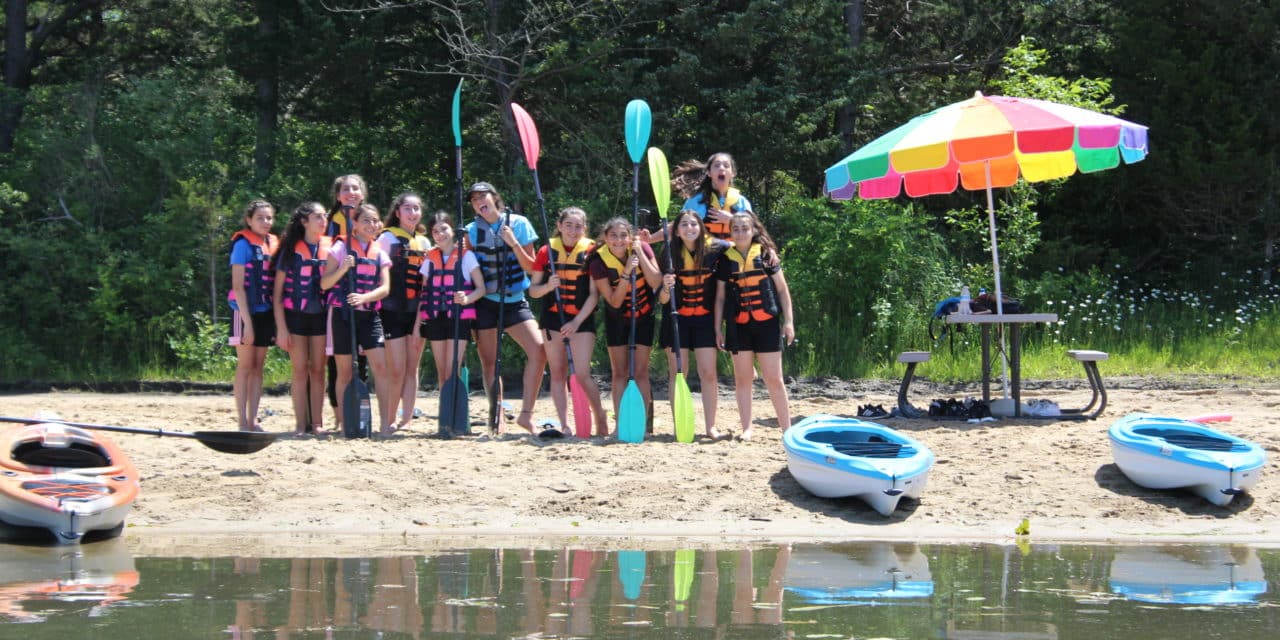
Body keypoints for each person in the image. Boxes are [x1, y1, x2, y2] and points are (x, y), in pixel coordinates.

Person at [464, 182, 545, 432]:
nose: (480, 201)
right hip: (485, 303)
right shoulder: (469, 232)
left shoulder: (518, 224)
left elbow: (532, 267)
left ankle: (526, 414)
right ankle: (495, 415)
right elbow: (467, 270)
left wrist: (513, 244)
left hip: (514, 301)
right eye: (475, 199)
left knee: (539, 351)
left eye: (483, 196)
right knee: (490, 362)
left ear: (494, 197)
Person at [714, 212, 795, 440]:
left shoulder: (766, 255)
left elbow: (782, 290)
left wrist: (788, 321)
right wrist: (717, 328)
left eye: (744, 228)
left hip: (767, 324)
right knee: (742, 379)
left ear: (753, 231)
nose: (740, 233)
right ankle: (747, 428)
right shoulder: (725, 259)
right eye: (736, 229)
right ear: (731, 232)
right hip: (738, 326)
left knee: (774, 378)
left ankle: (786, 429)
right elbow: (720, 297)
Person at [528, 207, 609, 435]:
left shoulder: (592, 251)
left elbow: (594, 295)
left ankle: (600, 416)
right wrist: (547, 286)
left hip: (581, 319)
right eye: (569, 225)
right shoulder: (546, 252)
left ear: (584, 229)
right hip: (552, 319)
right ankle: (564, 423)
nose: (573, 230)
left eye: (578, 226)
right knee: (558, 372)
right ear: (560, 226)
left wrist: (575, 322)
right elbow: (533, 291)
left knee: (582, 373)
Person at [319, 203, 395, 435]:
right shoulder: (341, 247)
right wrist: (344, 268)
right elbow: (324, 283)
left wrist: (363, 297)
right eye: (366, 221)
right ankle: (344, 422)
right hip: (343, 315)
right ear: (355, 224)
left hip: (369, 316)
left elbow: (385, 288)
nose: (372, 225)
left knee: (381, 368)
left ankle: (384, 423)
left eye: (375, 221)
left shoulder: (379, 251)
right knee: (345, 371)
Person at [659, 210, 730, 440]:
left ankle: (710, 427)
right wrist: (664, 286)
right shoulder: (668, 253)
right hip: (675, 319)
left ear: (700, 227)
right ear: (676, 231)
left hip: (704, 320)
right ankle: (680, 424)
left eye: (693, 224)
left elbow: (746, 242)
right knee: (678, 372)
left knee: (708, 373)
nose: (689, 228)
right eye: (684, 225)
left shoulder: (716, 248)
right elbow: (660, 299)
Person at [587, 217, 661, 432]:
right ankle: (620, 424)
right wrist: (627, 271)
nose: (618, 240)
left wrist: (640, 254)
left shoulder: (642, 249)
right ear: (605, 238)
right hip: (617, 319)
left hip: (643, 317)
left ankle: (642, 424)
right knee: (619, 372)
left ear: (630, 237)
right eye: (613, 236)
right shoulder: (598, 262)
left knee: (640, 372)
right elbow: (614, 301)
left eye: (623, 236)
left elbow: (656, 282)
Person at [271, 202, 331, 435]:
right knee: (299, 370)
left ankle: (316, 423)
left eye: (324, 216)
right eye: (317, 216)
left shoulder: (331, 247)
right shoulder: (290, 250)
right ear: (304, 221)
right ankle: (299, 424)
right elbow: (277, 296)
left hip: (321, 317)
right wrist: (282, 329)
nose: (323, 220)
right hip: (295, 316)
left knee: (318, 370)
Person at [417, 211, 485, 416]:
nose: (440, 234)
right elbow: (425, 289)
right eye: (435, 231)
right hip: (436, 318)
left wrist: (467, 298)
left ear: (452, 230)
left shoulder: (467, 256)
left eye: (444, 229)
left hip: (459, 318)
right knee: (442, 370)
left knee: (452, 368)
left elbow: (481, 288)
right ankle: (445, 413)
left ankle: (456, 412)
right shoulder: (430, 257)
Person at [377, 192, 432, 432]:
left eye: (416, 208)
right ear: (397, 212)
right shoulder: (387, 239)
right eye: (407, 208)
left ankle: (406, 420)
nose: (412, 213)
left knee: (412, 367)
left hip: (416, 312)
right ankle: (388, 420)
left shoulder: (425, 243)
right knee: (396, 369)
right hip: (391, 311)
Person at [325, 174, 372, 432]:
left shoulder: (370, 222)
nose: (351, 193)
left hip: (364, 299)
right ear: (338, 195)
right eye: (345, 189)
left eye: (355, 188)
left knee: (361, 359)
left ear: (362, 194)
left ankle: (358, 414)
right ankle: (340, 417)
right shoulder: (330, 224)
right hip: (336, 298)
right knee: (337, 362)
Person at [228, 199, 278, 432]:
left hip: (265, 311)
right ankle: (242, 421)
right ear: (249, 220)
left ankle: (253, 419)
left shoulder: (273, 243)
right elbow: (238, 287)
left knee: (259, 366)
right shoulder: (242, 245)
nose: (266, 222)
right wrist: (247, 324)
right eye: (260, 218)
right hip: (243, 312)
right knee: (246, 366)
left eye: (269, 218)